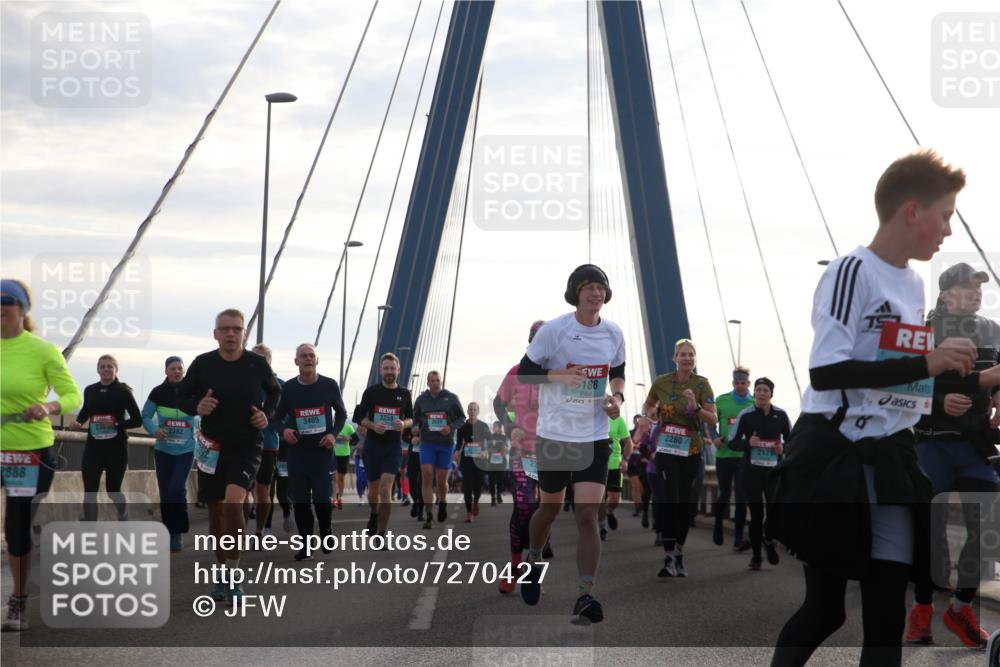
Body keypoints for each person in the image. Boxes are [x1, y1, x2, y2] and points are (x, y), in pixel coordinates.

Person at [769, 150, 997, 666]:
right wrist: (928, 361)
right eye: (945, 216)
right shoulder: (852, 272)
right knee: (826, 611)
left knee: (886, 619)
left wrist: (957, 374)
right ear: (912, 211)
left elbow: (904, 378)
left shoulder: (914, 284)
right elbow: (826, 373)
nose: (948, 231)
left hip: (893, 458)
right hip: (836, 457)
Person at [517, 264, 626, 623]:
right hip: (556, 435)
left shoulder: (613, 333)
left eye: (600, 288)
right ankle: (532, 559)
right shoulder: (555, 331)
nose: (595, 294)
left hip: (594, 436)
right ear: (575, 292)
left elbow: (618, 373)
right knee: (549, 509)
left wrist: (617, 399)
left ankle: (585, 595)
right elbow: (525, 371)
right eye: (588, 287)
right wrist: (559, 374)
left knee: (586, 515)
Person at [904, 262, 1000, 648]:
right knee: (931, 536)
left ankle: (960, 607)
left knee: (990, 526)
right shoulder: (922, 332)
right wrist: (940, 400)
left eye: (978, 287)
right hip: (931, 444)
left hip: (975, 446)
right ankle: (922, 611)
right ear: (944, 294)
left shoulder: (991, 331)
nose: (975, 293)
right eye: (965, 287)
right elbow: (902, 386)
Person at [177, 308, 281, 605]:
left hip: (247, 445)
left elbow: (275, 394)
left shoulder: (257, 364)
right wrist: (197, 405)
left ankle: (234, 576)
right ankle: (222, 573)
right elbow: (182, 398)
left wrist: (266, 414)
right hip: (212, 447)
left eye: (237, 329)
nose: (231, 334)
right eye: (225, 329)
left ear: (244, 334)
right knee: (215, 516)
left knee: (234, 502)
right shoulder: (202, 364)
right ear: (216, 334)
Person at [1, 279, 82, 631]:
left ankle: (18, 598)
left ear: (22, 309)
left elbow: (72, 397)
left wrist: (49, 406)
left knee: (16, 525)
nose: (0, 307)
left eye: (7, 301)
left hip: (28, 451)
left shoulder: (42, 351)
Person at [645, 338, 717, 578]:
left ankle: (679, 554)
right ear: (675, 358)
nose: (687, 358)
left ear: (695, 359)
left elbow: (713, 419)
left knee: (685, 505)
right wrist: (651, 413)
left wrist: (695, 406)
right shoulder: (662, 382)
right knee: (669, 500)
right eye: (683, 354)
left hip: (691, 451)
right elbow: (649, 404)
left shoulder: (702, 384)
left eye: (691, 355)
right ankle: (667, 558)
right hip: (666, 449)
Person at [494, 320, 553, 594]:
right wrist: (510, 427)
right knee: (524, 506)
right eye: (537, 339)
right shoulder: (517, 373)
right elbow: (498, 403)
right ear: (531, 343)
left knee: (545, 511)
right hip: (523, 451)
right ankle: (517, 566)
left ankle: (534, 563)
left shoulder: (560, 375)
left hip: (555, 452)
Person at [276, 343, 347, 560]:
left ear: (317, 361)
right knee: (301, 501)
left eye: (311, 356)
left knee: (323, 501)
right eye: (303, 356)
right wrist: (285, 430)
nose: (307, 359)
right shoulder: (288, 388)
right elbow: (276, 418)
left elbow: (342, 414)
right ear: (296, 361)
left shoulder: (329, 385)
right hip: (298, 452)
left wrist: (333, 434)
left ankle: (326, 530)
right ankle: (306, 545)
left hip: (322, 452)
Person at [727, 377, 791, 570]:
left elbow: (792, 440)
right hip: (751, 472)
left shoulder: (781, 415)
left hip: (773, 473)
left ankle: (768, 540)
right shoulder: (745, 415)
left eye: (765, 390)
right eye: (759, 390)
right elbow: (732, 442)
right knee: (756, 514)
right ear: (754, 393)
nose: (762, 393)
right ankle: (756, 556)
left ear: (771, 394)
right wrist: (748, 444)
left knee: (774, 512)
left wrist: (783, 448)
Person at [73, 354, 143, 522]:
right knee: (90, 488)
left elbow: (137, 420)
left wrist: (116, 425)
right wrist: (78, 422)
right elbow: (86, 411)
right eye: (102, 366)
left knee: (113, 490)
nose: (106, 369)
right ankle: (90, 525)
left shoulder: (123, 392)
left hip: (116, 448)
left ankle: (123, 512)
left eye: (109, 366)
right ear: (98, 369)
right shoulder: (90, 390)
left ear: (115, 370)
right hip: (94, 447)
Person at [353, 352, 413, 538]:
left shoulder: (404, 394)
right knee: (374, 492)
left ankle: (382, 532)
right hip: (372, 446)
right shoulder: (371, 392)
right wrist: (372, 425)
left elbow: (411, 418)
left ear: (398, 370)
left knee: (386, 487)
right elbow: (358, 418)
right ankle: (374, 513)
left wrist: (404, 424)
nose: (389, 371)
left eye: (392, 368)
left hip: (392, 448)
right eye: (386, 368)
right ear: (380, 370)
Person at [142, 355, 197, 552]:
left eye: (179, 368)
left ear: (184, 371)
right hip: (163, 450)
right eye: (172, 368)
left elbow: (202, 416)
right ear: (166, 371)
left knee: (176, 489)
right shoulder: (158, 392)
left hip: (186, 450)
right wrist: (154, 430)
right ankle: (169, 530)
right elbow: (146, 416)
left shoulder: (192, 392)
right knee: (166, 492)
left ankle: (178, 531)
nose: (176, 372)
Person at [413, 370, 465, 529]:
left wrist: (450, 427)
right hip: (427, 443)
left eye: (438, 381)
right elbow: (415, 419)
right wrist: (415, 428)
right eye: (432, 380)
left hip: (445, 444)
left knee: (441, 480)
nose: (435, 383)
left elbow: (461, 418)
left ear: (441, 382)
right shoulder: (421, 399)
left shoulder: (451, 398)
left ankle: (442, 501)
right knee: (427, 475)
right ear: (427, 383)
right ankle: (429, 515)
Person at [713, 367, 753, 551]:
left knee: (741, 499)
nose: (740, 386)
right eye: (736, 383)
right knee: (724, 495)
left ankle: (738, 539)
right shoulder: (721, 400)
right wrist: (714, 436)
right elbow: (709, 423)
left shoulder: (754, 403)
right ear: (733, 383)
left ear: (748, 383)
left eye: (743, 383)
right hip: (724, 456)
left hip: (744, 457)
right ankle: (718, 524)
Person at [250, 343, 283, 540]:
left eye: (263, 358)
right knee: (240, 492)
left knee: (263, 491)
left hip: (268, 444)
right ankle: (238, 532)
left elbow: (286, 417)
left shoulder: (279, 385)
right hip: (242, 443)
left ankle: (260, 530)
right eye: (255, 358)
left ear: (270, 362)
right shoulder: (242, 382)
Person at [598, 415, 632, 541]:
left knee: (615, 499)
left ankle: (609, 511)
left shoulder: (618, 419)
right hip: (596, 465)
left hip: (615, 464)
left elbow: (628, 442)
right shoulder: (591, 418)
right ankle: (602, 526)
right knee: (599, 499)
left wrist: (626, 460)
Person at [456, 403, 491, 523]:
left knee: (478, 484)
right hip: (467, 459)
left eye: (475, 409)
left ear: (478, 411)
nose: (472, 411)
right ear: (467, 411)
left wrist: (486, 451)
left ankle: (476, 500)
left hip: (480, 459)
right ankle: (469, 512)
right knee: (467, 484)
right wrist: (456, 452)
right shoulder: (462, 427)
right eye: (470, 409)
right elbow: (458, 443)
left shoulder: (483, 426)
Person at [332, 422, 358, 510]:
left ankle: (340, 498)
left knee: (341, 478)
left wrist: (349, 438)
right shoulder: (332, 427)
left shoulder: (348, 427)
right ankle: (334, 499)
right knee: (334, 477)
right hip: (333, 454)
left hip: (344, 455)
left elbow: (355, 440)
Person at [486, 421, 509, 506]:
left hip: (501, 462)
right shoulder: (490, 437)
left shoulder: (504, 437)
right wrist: (492, 450)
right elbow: (487, 448)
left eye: (496, 426)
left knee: (500, 480)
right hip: (491, 462)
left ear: (500, 427)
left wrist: (504, 450)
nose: (494, 428)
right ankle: (493, 497)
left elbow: (506, 448)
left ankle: (499, 494)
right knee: (491, 480)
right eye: (493, 426)